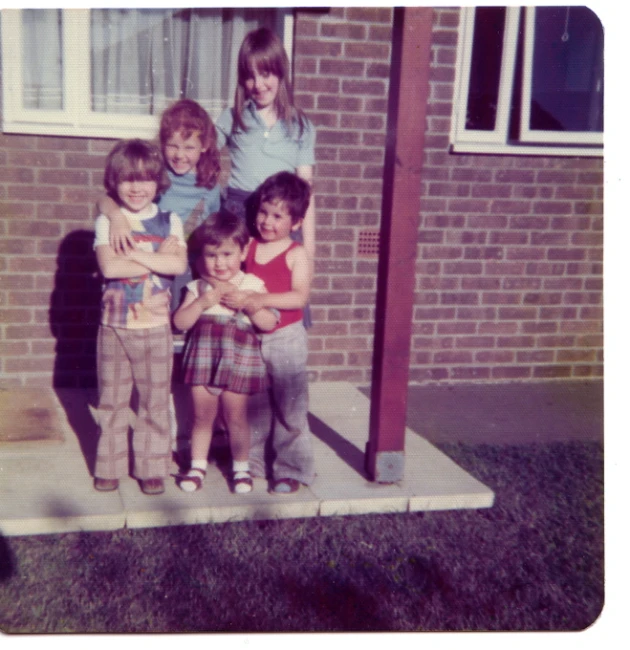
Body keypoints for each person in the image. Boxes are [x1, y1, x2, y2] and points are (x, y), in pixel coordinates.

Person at [93, 139, 187, 495]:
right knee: (112, 400)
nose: (137, 188)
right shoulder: (108, 220)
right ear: (115, 183)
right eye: (128, 180)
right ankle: (109, 466)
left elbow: (177, 265)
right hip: (115, 325)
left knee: (154, 400)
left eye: (145, 179)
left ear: (157, 182)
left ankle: (150, 467)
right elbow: (109, 266)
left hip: (156, 326)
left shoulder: (170, 220)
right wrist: (153, 255)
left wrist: (137, 255)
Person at [215, 27, 317, 327]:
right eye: (250, 76)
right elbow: (202, 158)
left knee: (278, 293)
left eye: (266, 74)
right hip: (239, 214)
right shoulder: (232, 117)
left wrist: (309, 248)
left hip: (282, 219)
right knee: (236, 295)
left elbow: (306, 191)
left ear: (281, 72)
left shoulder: (301, 126)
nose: (258, 84)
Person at [221, 171, 315, 494]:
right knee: (256, 405)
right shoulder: (250, 245)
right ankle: (255, 463)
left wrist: (259, 299)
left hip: (286, 338)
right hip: (252, 335)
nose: (267, 221)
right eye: (263, 212)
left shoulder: (296, 253)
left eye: (278, 216)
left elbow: (299, 297)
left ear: (297, 222)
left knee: (290, 407)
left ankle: (292, 470)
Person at [172, 212, 278, 494]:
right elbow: (180, 322)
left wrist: (249, 305)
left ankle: (241, 469)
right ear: (202, 257)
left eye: (227, 254)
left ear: (243, 252)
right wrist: (203, 302)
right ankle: (197, 466)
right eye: (211, 255)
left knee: (236, 417)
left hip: (239, 360)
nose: (219, 263)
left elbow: (269, 323)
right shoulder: (197, 287)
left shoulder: (252, 285)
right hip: (203, 359)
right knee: (201, 417)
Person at [99, 98, 222, 313]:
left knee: (180, 317)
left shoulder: (209, 187)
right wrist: (116, 218)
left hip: (188, 265)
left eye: (189, 147)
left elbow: (214, 231)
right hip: (149, 259)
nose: (179, 155)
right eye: (172, 145)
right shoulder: (155, 175)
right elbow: (105, 200)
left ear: (204, 146)